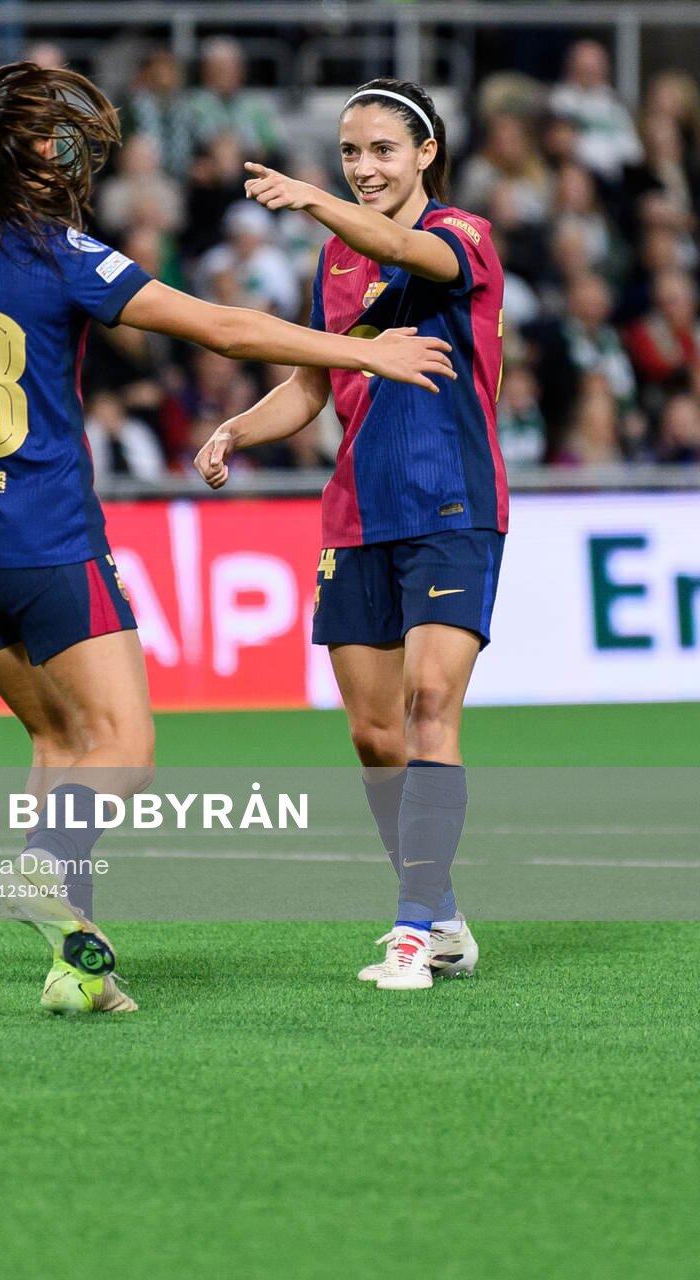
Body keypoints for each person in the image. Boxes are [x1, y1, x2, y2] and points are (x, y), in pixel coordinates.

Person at [0, 62, 454, 1016]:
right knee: (124, 747)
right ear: (30, 157)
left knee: (55, 736)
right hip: (45, 541)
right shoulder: (64, 256)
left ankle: (76, 962)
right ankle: (43, 866)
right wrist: (366, 349)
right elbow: (222, 329)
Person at [197, 78, 505, 991]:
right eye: (349, 154)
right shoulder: (335, 264)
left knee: (430, 705)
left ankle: (411, 930)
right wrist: (235, 431)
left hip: (452, 505)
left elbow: (405, 246)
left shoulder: (464, 237)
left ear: (426, 155)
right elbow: (313, 383)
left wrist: (316, 201)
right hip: (355, 516)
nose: (365, 168)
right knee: (375, 736)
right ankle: (441, 910)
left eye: (381, 151)